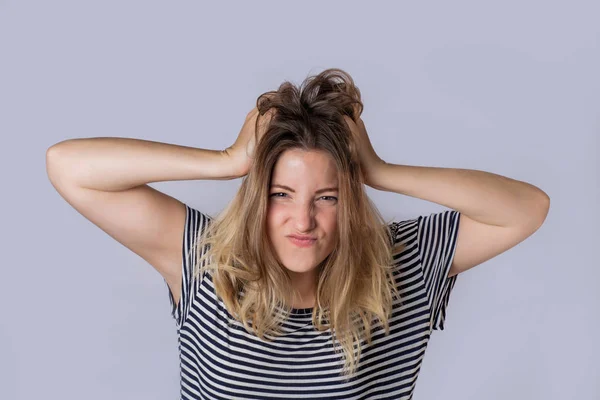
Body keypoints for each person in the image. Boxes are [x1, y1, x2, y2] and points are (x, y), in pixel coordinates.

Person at [46, 68, 549, 399]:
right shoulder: (205, 260)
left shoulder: (401, 264)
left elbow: (527, 208)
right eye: (280, 194)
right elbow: (67, 166)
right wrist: (227, 162)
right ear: (256, 198)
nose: (302, 220)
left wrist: (376, 169)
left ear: (349, 201)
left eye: (326, 197)